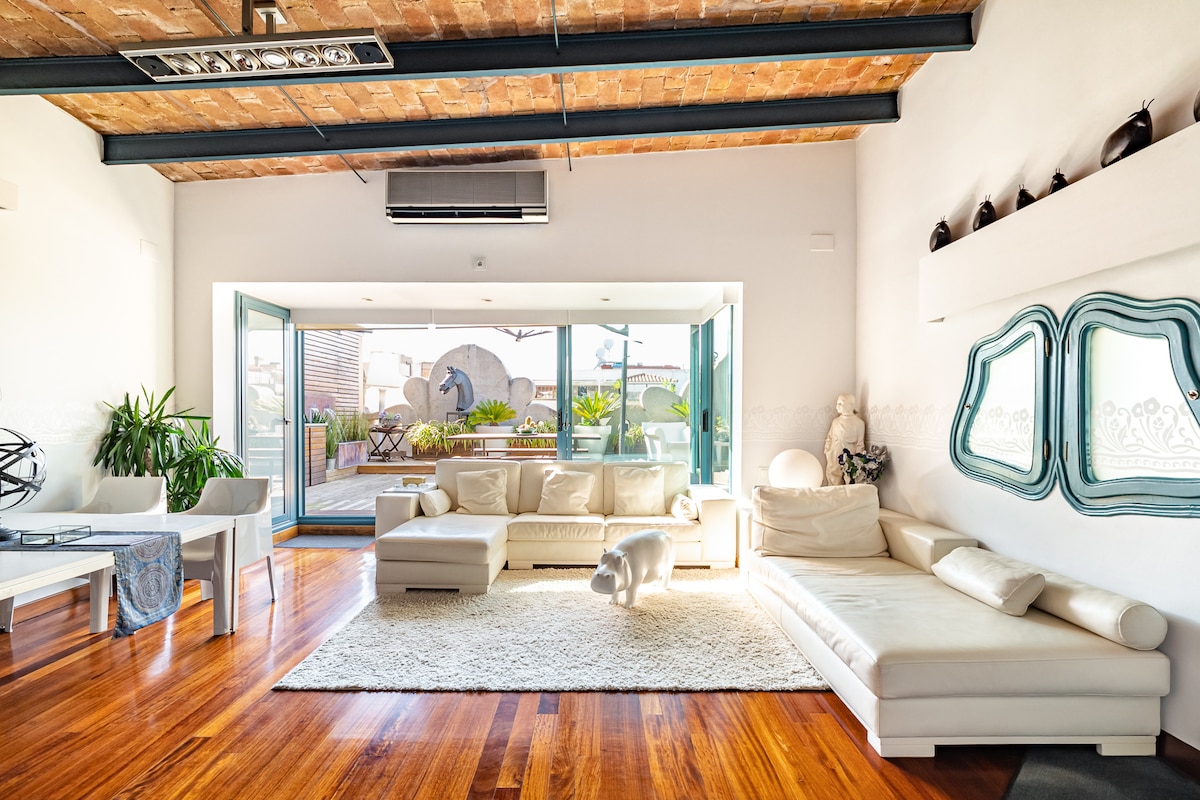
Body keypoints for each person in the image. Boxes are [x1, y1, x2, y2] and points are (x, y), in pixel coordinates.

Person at [824, 393, 866, 486]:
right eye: (837, 403)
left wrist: (857, 461)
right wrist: (828, 451)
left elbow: (860, 444)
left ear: (851, 405)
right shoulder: (836, 422)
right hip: (834, 456)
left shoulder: (859, 423)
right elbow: (830, 438)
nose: (837, 406)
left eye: (841, 403)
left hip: (850, 457)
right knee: (833, 480)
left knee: (849, 480)